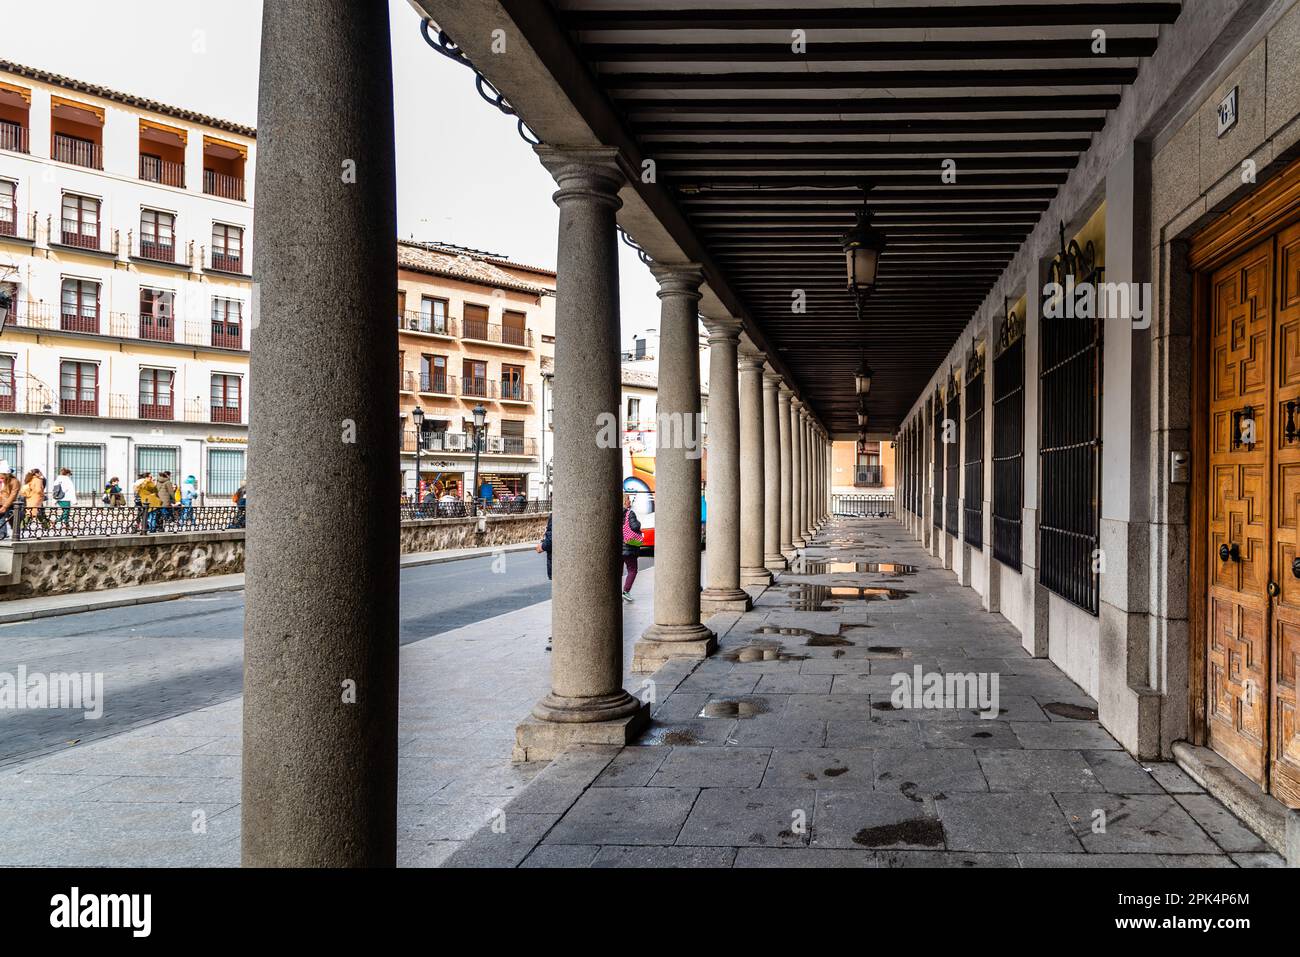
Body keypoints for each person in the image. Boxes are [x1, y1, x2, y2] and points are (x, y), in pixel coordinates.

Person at [620, 493, 643, 601]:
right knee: (632, 570)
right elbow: (635, 526)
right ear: (625, 501)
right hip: (629, 546)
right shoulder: (630, 513)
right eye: (628, 499)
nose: (630, 501)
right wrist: (639, 523)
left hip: (618, 547)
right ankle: (626, 591)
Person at [536, 514, 553, 651]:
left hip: (558, 565)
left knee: (562, 601)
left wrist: (542, 545)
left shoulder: (558, 513)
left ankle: (560, 635)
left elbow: (552, 539)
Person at [0, 461, 19, 541]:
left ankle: (6, 534)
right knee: (1, 518)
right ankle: (2, 533)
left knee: (11, 520)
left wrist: (5, 506)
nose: (1, 478)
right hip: (1, 502)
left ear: (6, 475)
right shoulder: (2, 481)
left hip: (9, 503)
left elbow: (13, 495)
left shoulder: (14, 481)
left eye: (2, 476)